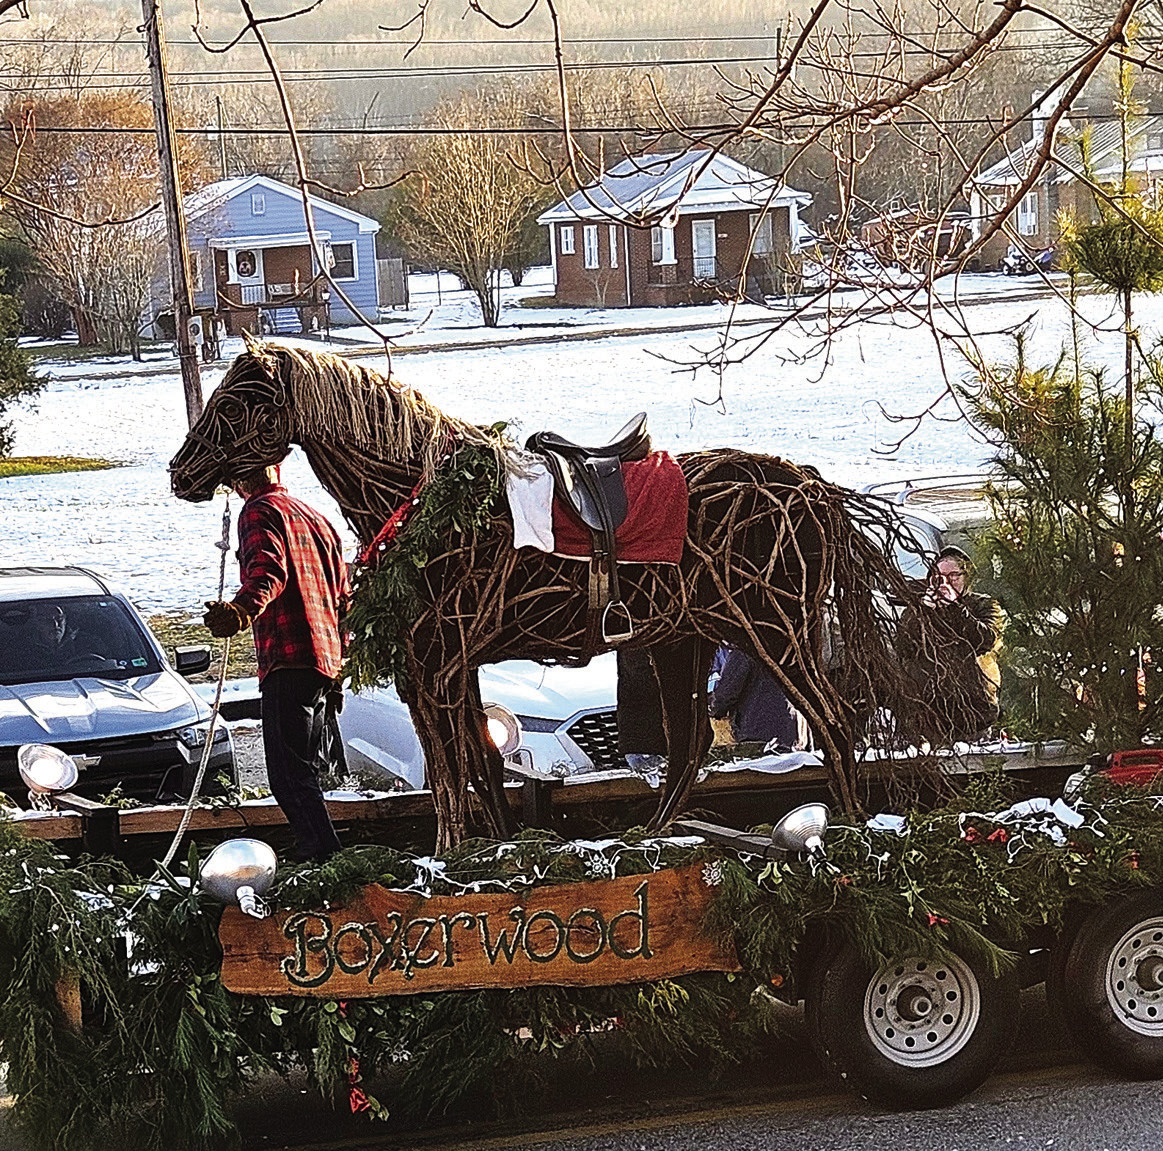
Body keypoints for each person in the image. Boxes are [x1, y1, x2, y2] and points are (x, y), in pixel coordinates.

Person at [203, 464, 350, 862]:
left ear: (238, 480)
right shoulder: (316, 517)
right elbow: (343, 597)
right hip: (324, 662)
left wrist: (240, 611)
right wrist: (340, 663)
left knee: (288, 776)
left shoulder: (258, 511)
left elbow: (268, 571)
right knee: (304, 772)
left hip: (288, 657)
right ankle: (324, 855)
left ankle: (324, 859)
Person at [898, 545, 1004, 742]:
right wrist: (922, 612)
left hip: (973, 712)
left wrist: (954, 607)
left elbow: (986, 640)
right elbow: (903, 647)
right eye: (939, 576)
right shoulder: (919, 609)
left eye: (953, 575)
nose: (945, 582)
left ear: (966, 577)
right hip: (928, 714)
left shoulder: (984, 605)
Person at [708, 645, 799, 751]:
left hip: (754, 731)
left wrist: (712, 709)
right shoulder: (785, 649)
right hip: (787, 731)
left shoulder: (744, 652)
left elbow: (725, 695)